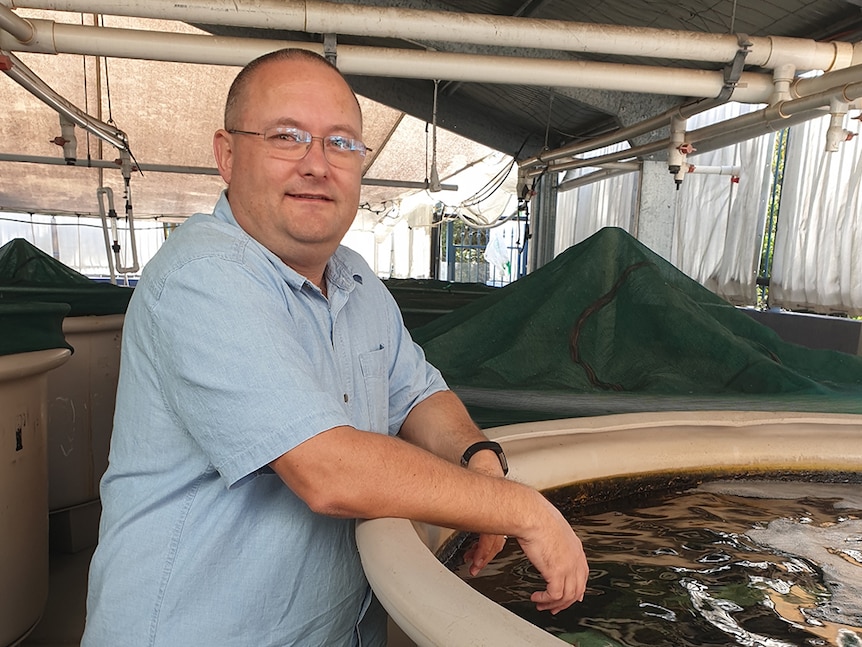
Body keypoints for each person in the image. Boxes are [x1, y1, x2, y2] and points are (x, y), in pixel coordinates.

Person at [82, 48, 588, 647]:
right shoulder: (202, 276)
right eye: (287, 136)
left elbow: (419, 395)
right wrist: (519, 508)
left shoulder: (356, 280)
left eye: (340, 143)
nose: (317, 165)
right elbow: (325, 470)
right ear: (226, 153)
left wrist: (478, 460)